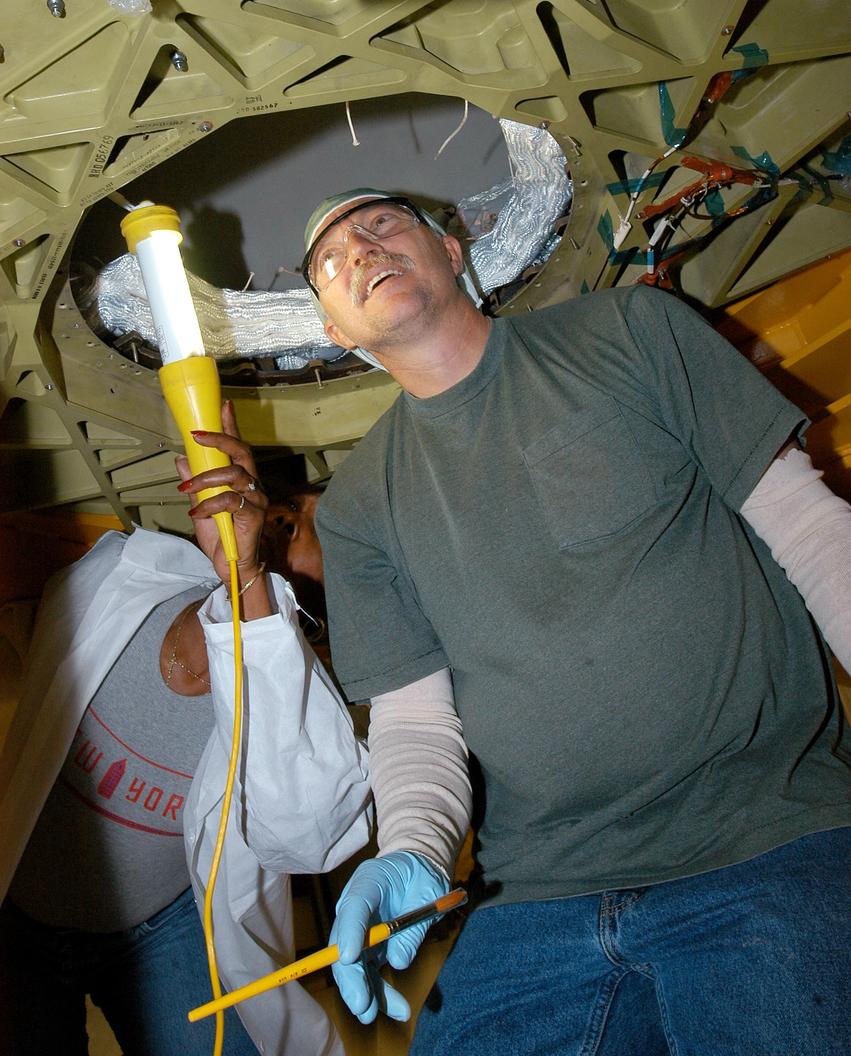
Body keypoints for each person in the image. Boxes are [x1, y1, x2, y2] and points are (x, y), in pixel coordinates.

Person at [300, 188, 851, 1054]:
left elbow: (812, 531)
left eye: (380, 226)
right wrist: (409, 848)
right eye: (329, 263)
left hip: (766, 843)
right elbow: (413, 720)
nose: (359, 251)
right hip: (533, 900)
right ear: (336, 334)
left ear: (452, 251)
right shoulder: (357, 508)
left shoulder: (631, 331)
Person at [0, 403, 371, 1056]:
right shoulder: (119, 584)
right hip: (15, 923)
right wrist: (240, 568)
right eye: (324, 526)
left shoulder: (305, 704)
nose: (352, 569)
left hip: (164, 929)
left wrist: (246, 576)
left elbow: (309, 835)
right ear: (276, 515)